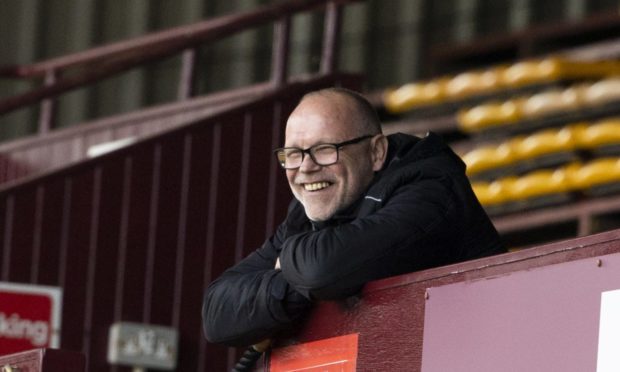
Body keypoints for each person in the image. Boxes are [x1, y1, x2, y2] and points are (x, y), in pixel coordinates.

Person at [202, 87, 505, 347]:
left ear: (376, 152)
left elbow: (323, 269)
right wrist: (296, 283)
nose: (305, 168)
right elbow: (216, 313)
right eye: (293, 154)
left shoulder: (430, 189)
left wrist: (291, 265)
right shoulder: (309, 213)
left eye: (324, 150)